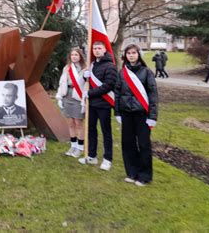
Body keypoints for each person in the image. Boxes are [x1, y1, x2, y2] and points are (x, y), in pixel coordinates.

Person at [114, 43, 158, 186]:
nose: (131, 55)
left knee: (144, 145)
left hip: (142, 115)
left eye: (134, 52)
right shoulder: (122, 73)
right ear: (125, 56)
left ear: (138, 54)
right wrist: (117, 112)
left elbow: (153, 95)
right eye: (129, 53)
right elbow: (117, 94)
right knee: (128, 144)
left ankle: (144, 176)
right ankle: (132, 172)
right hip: (126, 114)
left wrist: (152, 116)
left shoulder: (146, 72)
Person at [79, 41, 117, 171]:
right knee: (91, 130)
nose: (96, 50)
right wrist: (85, 77)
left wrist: (89, 93)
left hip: (104, 104)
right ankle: (92, 155)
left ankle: (107, 159)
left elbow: (108, 85)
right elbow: (90, 82)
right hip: (92, 104)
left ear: (105, 49)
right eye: (94, 48)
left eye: (99, 48)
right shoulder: (92, 65)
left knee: (106, 132)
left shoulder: (110, 66)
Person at [56, 47, 86, 158]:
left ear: (80, 56)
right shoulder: (67, 68)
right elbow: (61, 82)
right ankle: (73, 145)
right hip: (67, 95)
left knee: (78, 123)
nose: (74, 57)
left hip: (78, 96)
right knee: (70, 123)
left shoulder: (85, 69)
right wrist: (59, 97)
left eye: (76, 55)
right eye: (72, 55)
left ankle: (80, 147)